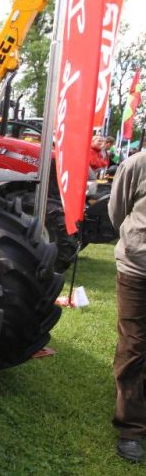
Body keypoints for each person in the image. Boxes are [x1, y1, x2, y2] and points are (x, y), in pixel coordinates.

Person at [108, 150, 146, 462]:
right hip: (137, 270)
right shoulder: (137, 164)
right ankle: (132, 428)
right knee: (134, 345)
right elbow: (117, 210)